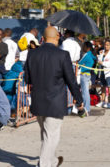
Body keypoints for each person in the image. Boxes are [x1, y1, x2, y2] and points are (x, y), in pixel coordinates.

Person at [24, 26, 84, 166]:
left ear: (43, 39)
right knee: (51, 136)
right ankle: (44, 164)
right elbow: (71, 80)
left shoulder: (32, 54)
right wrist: (79, 99)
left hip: (38, 100)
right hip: (55, 102)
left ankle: (53, 161)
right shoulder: (62, 55)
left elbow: (27, 79)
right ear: (57, 37)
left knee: (46, 134)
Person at [97, 39, 110, 108]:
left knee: (109, 86)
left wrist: (103, 63)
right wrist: (99, 56)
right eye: (105, 45)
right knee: (103, 86)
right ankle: (102, 101)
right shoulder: (102, 52)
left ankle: (109, 102)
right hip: (102, 71)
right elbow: (99, 61)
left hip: (109, 72)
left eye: (107, 45)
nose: (106, 46)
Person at [78, 41, 96, 114]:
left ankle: (86, 108)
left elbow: (79, 63)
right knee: (85, 92)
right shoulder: (92, 55)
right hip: (88, 74)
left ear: (87, 47)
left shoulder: (87, 55)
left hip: (84, 74)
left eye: (84, 46)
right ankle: (87, 107)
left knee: (85, 92)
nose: (83, 47)